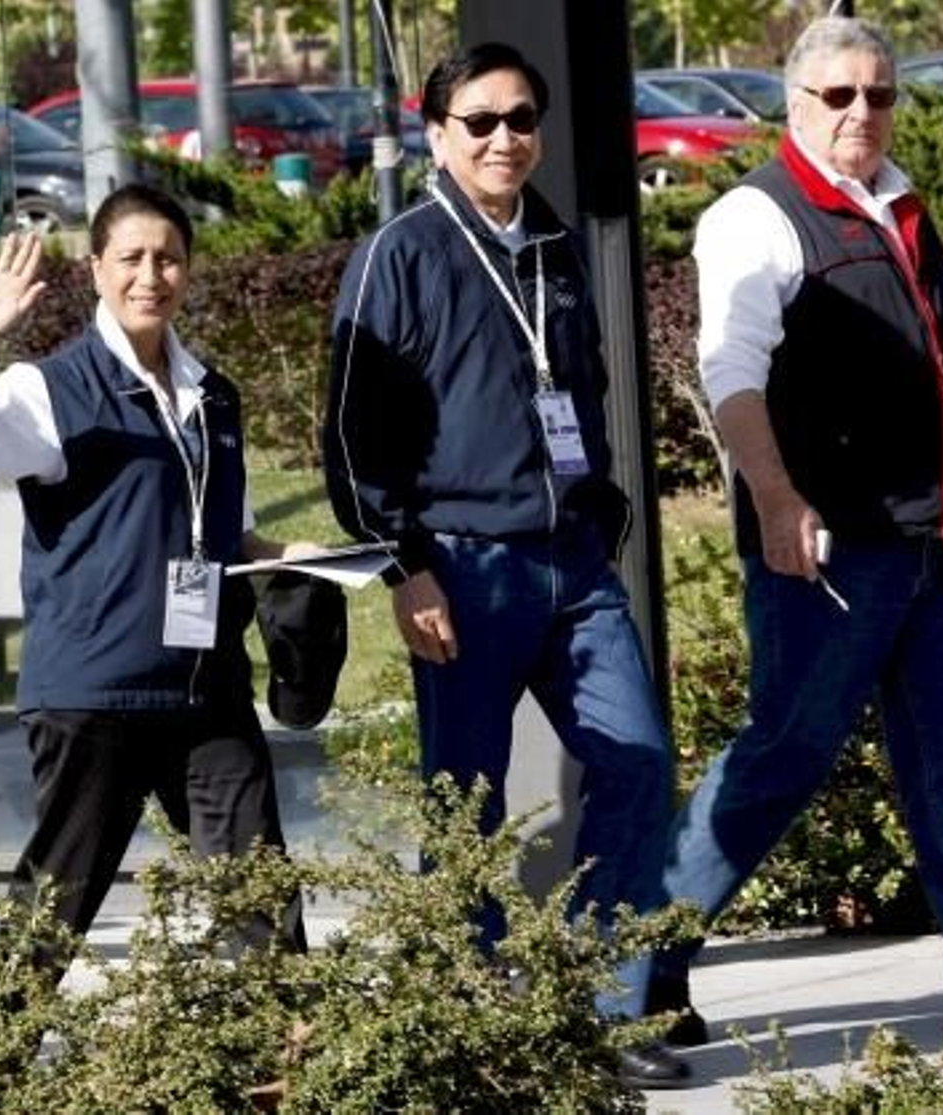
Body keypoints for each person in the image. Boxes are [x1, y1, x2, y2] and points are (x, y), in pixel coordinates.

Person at [651, 14, 943, 1041]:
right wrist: (777, 497)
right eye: (837, 96)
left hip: (929, 548)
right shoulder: (756, 216)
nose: (861, 112)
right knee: (780, 758)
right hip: (828, 555)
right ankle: (628, 980)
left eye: (878, 93)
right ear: (793, 102)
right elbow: (729, 372)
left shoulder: (899, 201)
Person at [324, 42, 686, 1087]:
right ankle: (469, 1015)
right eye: (478, 121)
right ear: (436, 132)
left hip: (571, 563)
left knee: (635, 761)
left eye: (520, 118)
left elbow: (582, 388)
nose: (503, 139)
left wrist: (600, 503)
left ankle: (607, 1012)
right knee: (466, 805)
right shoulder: (400, 253)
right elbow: (350, 433)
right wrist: (405, 566)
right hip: (462, 567)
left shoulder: (556, 246)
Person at [0, 184, 306, 969]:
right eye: (131, 258)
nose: (150, 276)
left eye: (168, 259)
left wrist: (294, 560)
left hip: (204, 688)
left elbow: (221, 529)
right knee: (54, 912)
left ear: (188, 271)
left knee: (260, 901)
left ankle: (282, 1081)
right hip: (94, 694)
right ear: (95, 269)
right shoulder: (50, 389)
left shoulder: (212, 397)